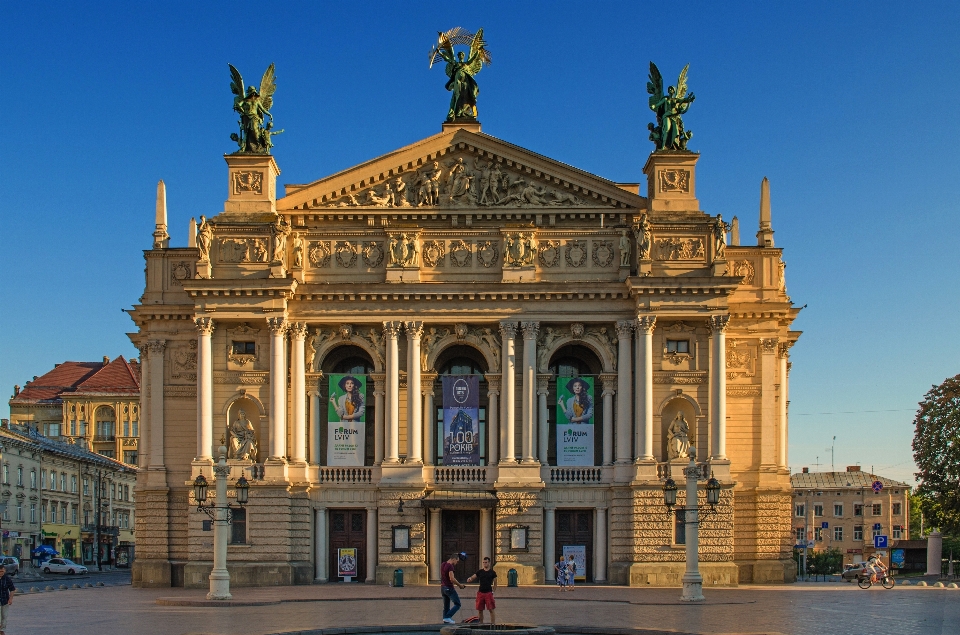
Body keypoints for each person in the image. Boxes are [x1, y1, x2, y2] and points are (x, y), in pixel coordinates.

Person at [466, 556, 498, 624]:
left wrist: (493, 591)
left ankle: (493, 624)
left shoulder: (492, 573)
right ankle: (481, 623)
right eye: (483, 562)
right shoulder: (480, 572)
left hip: (488, 593)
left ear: (489, 563)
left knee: (491, 609)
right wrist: (470, 579)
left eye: (486, 562)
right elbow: (473, 577)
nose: (484, 564)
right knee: (480, 610)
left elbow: (495, 583)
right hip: (480, 593)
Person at [440, 552, 467, 624]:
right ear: (454, 559)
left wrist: (457, 554)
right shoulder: (450, 566)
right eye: (457, 561)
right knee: (457, 604)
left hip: (443, 588)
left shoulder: (443, 564)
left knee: (446, 606)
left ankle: (445, 621)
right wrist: (460, 585)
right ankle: (447, 617)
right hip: (449, 588)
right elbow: (452, 578)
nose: (457, 563)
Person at [0, 563, 15, 635]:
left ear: (4, 571)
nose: (1, 573)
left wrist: (11, 598)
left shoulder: (7, 579)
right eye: (0, 571)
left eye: (2, 571)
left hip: (4, 601)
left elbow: (12, 589)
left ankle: (2, 630)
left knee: (4, 617)